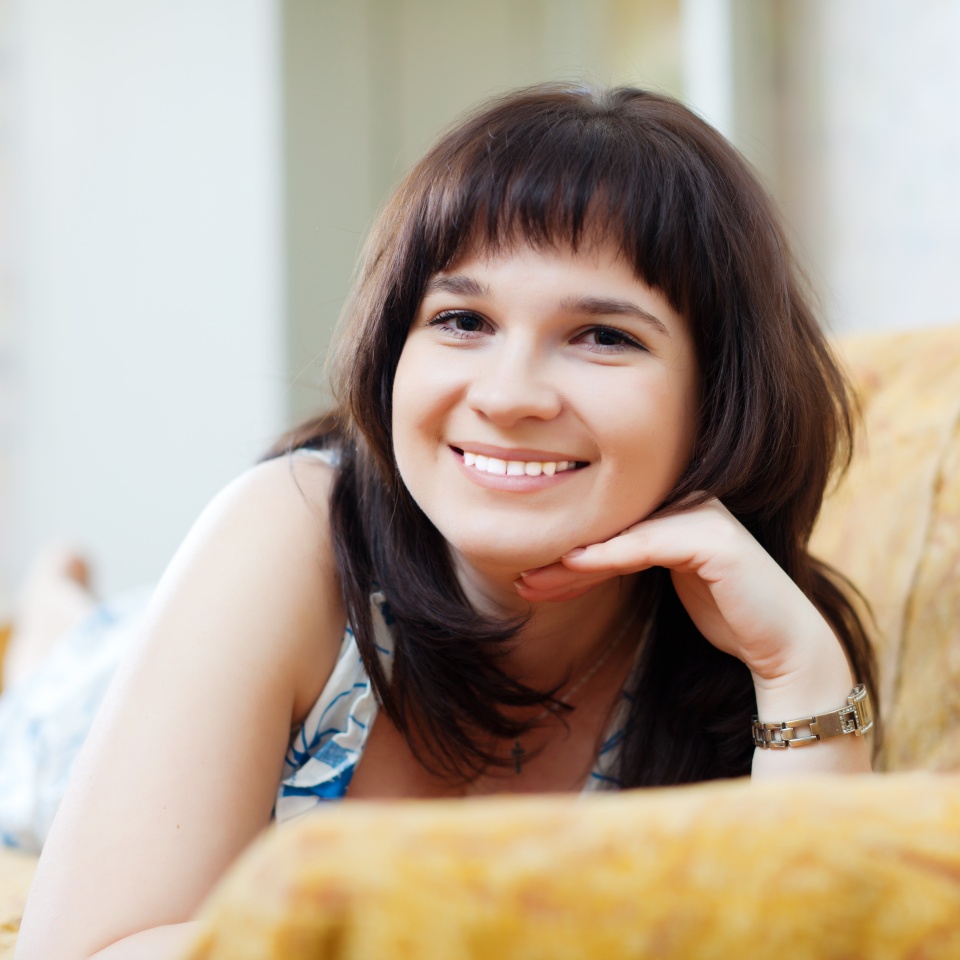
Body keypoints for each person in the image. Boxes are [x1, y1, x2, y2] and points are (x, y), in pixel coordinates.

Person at [10, 83, 876, 959]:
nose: (506, 396)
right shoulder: (290, 531)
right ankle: (59, 612)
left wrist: (797, 673)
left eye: (604, 336)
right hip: (110, 697)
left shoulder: (754, 636)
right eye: (463, 320)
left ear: (719, 395)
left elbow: (813, 935)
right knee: (65, 675)